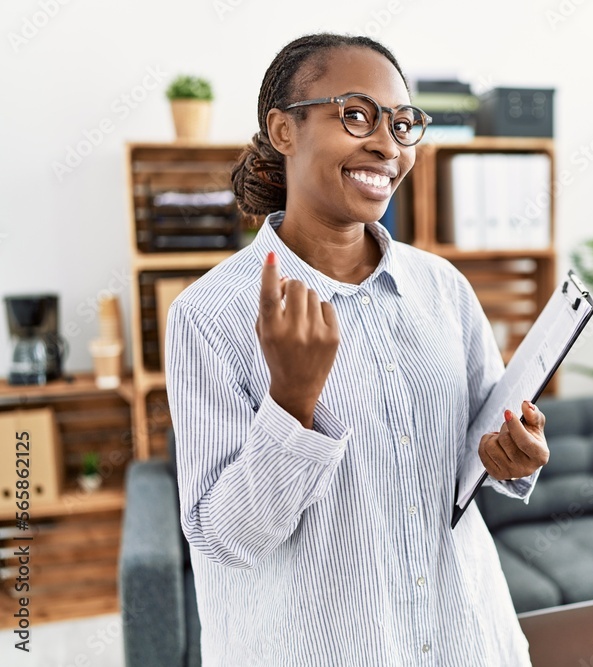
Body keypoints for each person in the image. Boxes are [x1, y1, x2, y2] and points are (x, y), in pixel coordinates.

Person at [164, 32, 549, 667]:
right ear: (284, 130)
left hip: (466, 639)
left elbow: (485, 443)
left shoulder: (443, 289)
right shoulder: (209, 315)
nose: (386, 145)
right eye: (356, 115)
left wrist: (515, 454)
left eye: (402, 124)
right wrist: (291, 400)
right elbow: (221, 537)